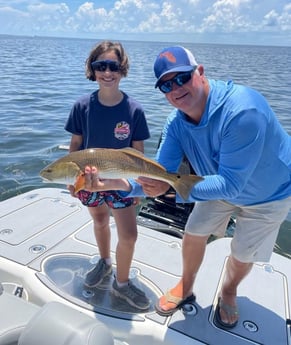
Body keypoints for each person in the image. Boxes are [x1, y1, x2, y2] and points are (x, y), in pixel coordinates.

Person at [81, 45, 291, 328]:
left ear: (200, 72)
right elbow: (160, 175)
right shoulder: (175, 123)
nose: (175, 88)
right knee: (193, 232)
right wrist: (113, 184)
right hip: (212, 183)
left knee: (242, 253)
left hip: (269, 193)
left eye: (181, 78)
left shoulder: (242, 111)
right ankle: (186, 285)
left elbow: (227, 185)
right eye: (166, 85)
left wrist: (167, 189)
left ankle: (228, 290)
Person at [65, 40, 150, 310]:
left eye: (113, 66)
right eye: (100, 66)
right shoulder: (81, 106)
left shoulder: (134, 110)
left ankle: (121, 283)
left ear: (122, 69)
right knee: (100, 220)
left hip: (122, 180)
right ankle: (104, 262)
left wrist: (137, 187)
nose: (107, 72)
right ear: (92, 69)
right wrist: (73, 181)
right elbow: (75, 148)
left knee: (129, 235)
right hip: (89, 181)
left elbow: (139, 154)